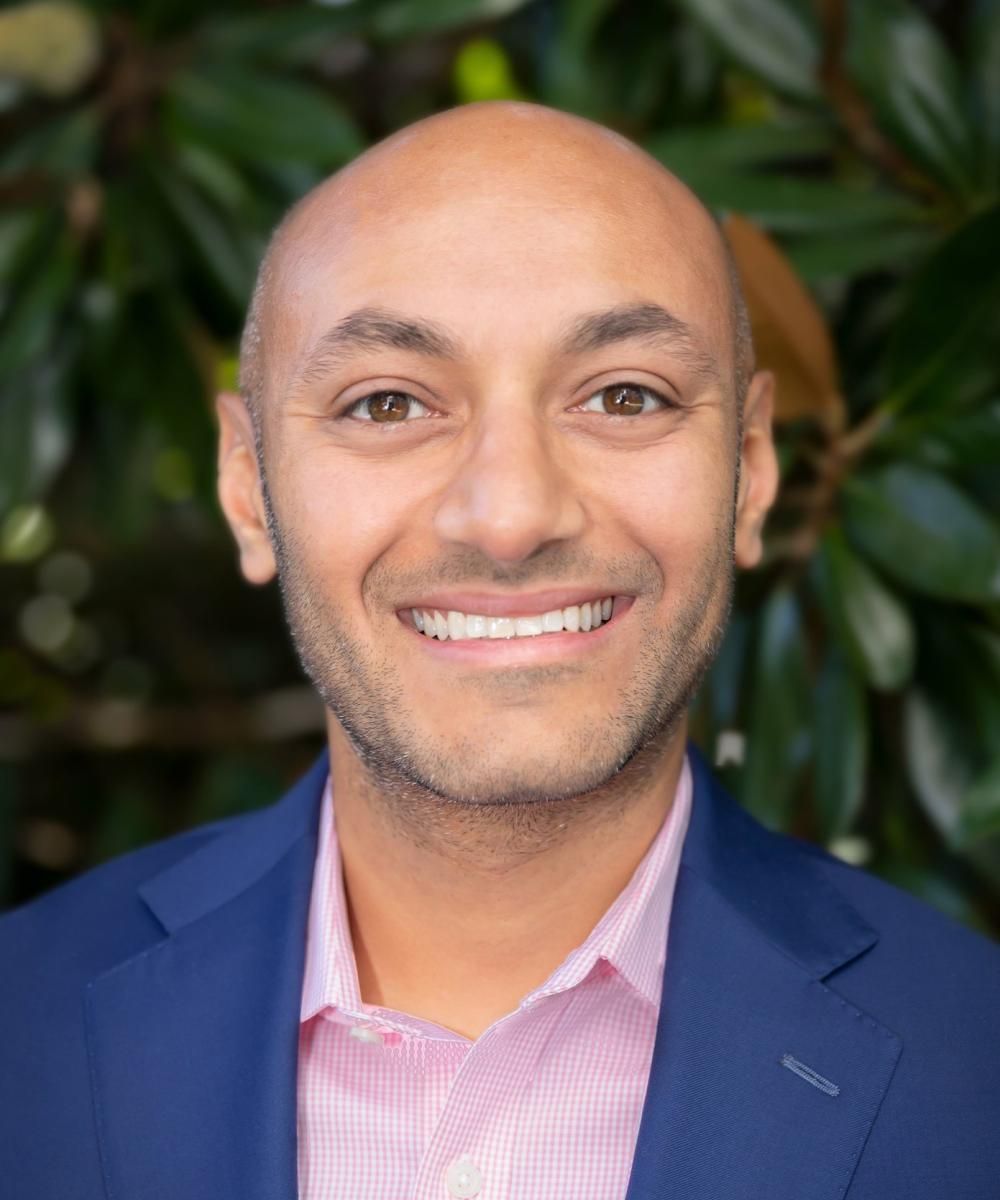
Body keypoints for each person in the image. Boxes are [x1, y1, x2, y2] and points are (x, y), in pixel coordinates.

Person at [1, 101, 997, 1200]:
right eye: (387, 403)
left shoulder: (976, 1069)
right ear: (247, 487)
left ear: (750, 470)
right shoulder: (20, 1024)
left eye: (625, 395)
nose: (511, 514)